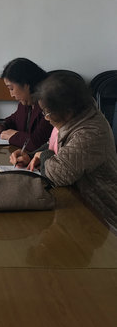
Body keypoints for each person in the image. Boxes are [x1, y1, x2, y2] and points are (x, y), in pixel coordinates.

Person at [10, 73, 117, 230]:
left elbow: (59, 174)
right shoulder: (75, 118)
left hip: (101, 218)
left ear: (67, 111)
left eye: (47, 113)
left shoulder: (91, 132)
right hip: (77, 205)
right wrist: (31, 156)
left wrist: (43, 156)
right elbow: (56, 145)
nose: (46, 118)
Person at [0, 57, 52, 152]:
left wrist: (14, 136)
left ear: (26, 84)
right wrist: (2, 126)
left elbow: (38, 143)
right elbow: (14, 120)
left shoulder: (49, 104)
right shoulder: (26, 102)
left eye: (11, 88)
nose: (11, 94)